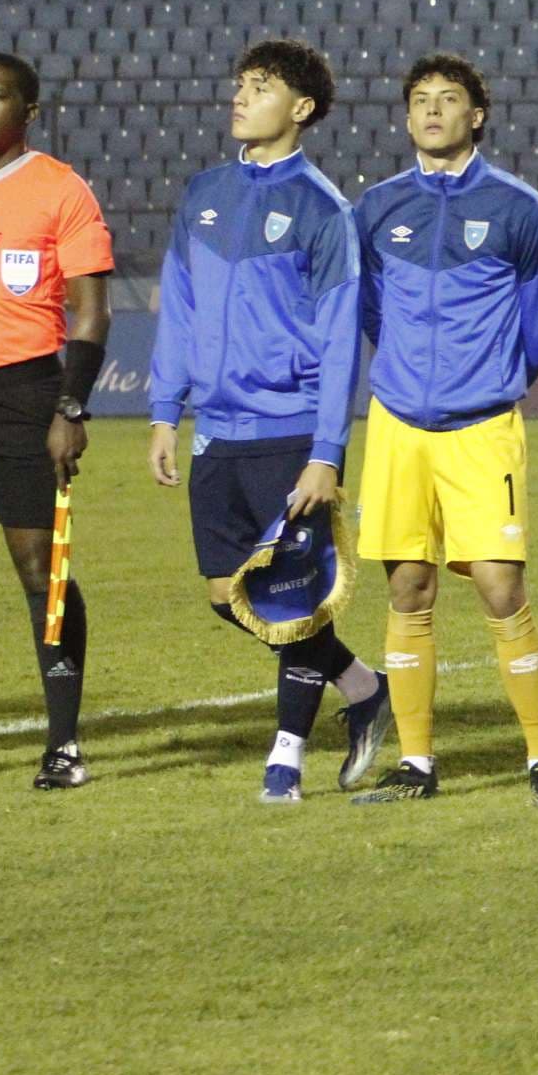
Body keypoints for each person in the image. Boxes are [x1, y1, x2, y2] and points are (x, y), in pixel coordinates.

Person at [146, 39, 394, 803]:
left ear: (302, 109)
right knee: (230, 596)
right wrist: (165, 410)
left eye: (259, 86)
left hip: (291, 434)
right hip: (219, 431)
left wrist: (327, 450)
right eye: (240, 82)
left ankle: (285, 757)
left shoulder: (323, 208)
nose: (240, 96)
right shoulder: (204, 194)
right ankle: (361, 685)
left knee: (289, 594)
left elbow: (337, 334)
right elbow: (179, 308)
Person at [349, 54, 538, 806]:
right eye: (419, 100)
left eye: (448, 100)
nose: (432, 111)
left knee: (501, 590)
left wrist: (486, 384)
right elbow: (369, 313)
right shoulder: (376, 208)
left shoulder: (519, 208)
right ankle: (416, 763)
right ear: (406, 116)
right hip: (397, 425)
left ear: (478, 114)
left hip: (482, 429)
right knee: (407, 587)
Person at [0, 54, 114, 790]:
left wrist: (70, 405)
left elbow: (92, 311)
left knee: (42, 568)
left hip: (25, 397)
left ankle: (63, 746)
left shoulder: (59, 189)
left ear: (28, 111)